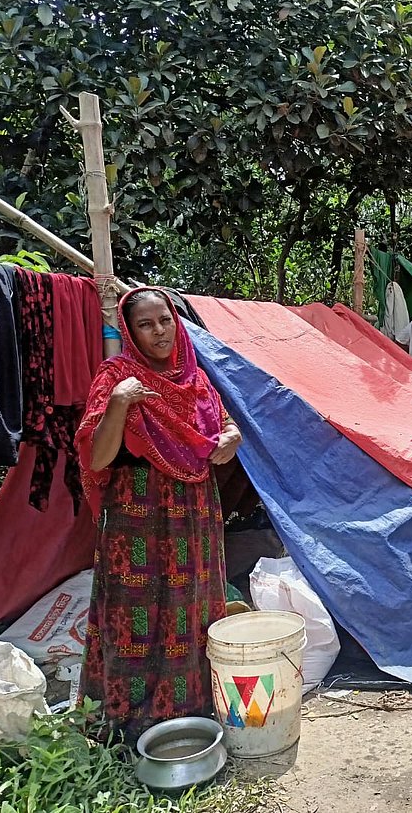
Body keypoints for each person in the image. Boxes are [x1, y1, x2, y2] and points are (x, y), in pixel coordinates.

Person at [76, 288, 242, 739]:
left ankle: (192, 711)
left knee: (193, 606)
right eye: (146, 325)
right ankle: (126, 721)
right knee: (135, 612)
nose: (160, 332)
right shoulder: (117, 376)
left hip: (195, 509)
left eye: (165, 320)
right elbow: (97, 458)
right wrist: (120, 402)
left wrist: (231, 437)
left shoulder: (195, 378)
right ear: (130, 332)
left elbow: (224, 424)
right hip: (138, 512)